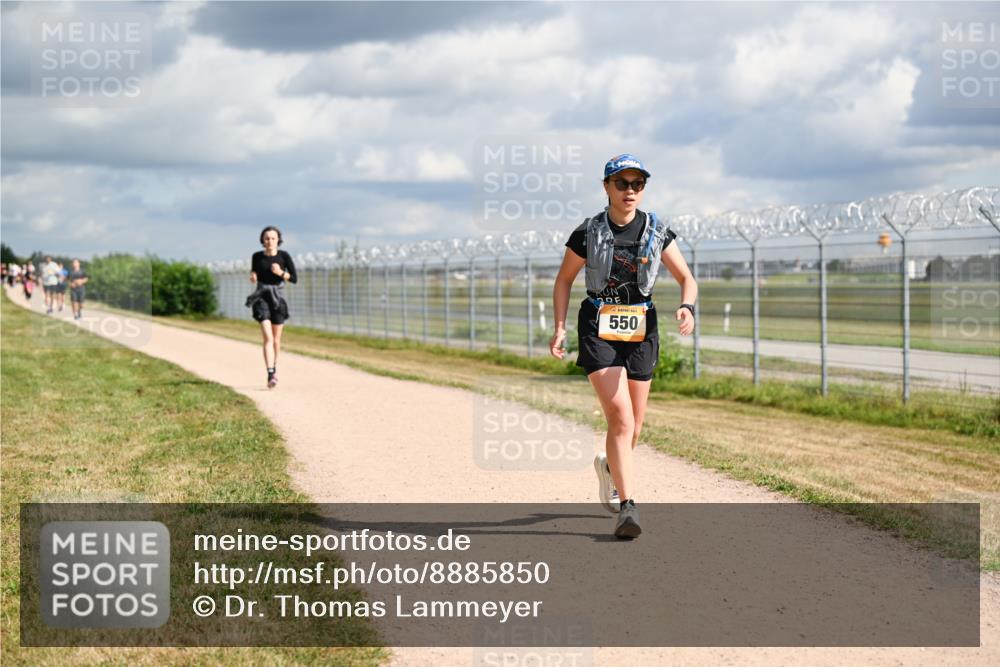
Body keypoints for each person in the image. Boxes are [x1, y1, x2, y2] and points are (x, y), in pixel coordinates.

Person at [550, 154, 697, 539]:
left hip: (640, 330)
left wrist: (687, 307)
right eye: (622, 183)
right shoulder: (587, 232)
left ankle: (611, 469)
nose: (630, 191)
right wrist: (561, 327)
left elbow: (687, 278)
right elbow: (564, 280)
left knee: (636, 425)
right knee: (622, 418)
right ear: (606, 187)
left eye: (637, 184)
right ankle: (628, 507)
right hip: (598, 326)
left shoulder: (657, 230)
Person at [246, 226, 297, 388]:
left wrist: (281, 273)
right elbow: (254, 273)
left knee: (276, 340)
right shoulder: (256, 256)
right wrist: (253, 277)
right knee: (267, 337)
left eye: (273, 238)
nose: (270, 241)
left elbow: (294, 278)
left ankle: (274, 368)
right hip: (261, 298)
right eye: (266, 238)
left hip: (278, 299)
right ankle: (270, 373)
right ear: (262, 240)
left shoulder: (284, 256)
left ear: (278, 240)